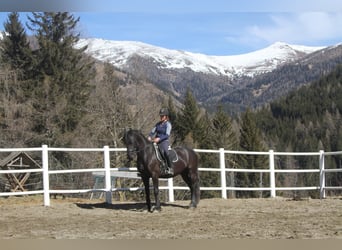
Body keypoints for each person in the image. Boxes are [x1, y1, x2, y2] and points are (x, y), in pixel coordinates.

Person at [147, 108, 174, 175]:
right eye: (161, 116)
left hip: (164, 141)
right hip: (155, 141)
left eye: (163, 116)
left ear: (166, 116)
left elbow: (167, 135)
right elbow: (152, 131)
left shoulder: (168, 124)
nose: (161, 117)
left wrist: (159, 139)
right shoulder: (158, 124)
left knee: (165, 152)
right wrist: (150, 136)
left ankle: (170, 168)